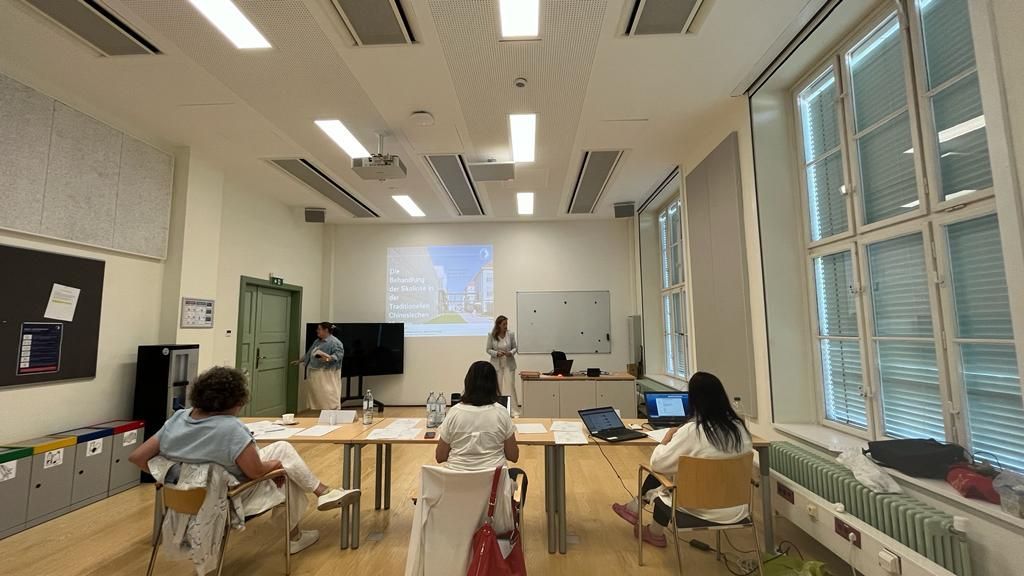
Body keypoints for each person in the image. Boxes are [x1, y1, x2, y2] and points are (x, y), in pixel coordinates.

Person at [129, 366, 359, 555]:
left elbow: (138, 457)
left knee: (282, 451)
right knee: (286, 470)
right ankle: (297, 531)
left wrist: (177, 476)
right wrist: (276, 467)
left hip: (181, 501)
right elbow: (256, 472)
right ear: (237, 399)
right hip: (228, 498)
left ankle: (322, 493)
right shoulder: (230, 429)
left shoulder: (178, 419)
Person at [611, 372, 752, 548]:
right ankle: (644, 521)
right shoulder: (741, 429)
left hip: (696, 505)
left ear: (693, 400)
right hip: (736, 507)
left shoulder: (693, 431)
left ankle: (648, 524)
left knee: (666, 474)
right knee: (678, 470)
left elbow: (658, 464)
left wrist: (666, 439)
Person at [435, 361, 519, 471]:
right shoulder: (501, 412)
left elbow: (440, 457)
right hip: (494, 484)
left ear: (467, 382)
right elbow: (513, 456)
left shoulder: (454, 413)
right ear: (494, 385)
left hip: (456, 484)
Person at [293, 322, 344, 410]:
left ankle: (331, 413)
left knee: (328, 395)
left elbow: (338, 356)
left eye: (319, 329)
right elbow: (309, 354)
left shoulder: (335, 342)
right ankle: (317, 413)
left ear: (326, 330)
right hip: (315, 372)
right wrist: (300, 361)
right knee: (316, 396)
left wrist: (328, 359)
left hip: (327, 374)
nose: (317, 331)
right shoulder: (317, 341)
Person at [486, 315, 519, 416]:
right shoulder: (491, 335)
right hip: (497, 365)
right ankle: (497, 410)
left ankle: (514, 410)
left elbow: (515, 348)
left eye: (506, 324)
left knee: (511, 387)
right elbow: (488, 349)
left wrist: (511, 353)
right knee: (497, 388)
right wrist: (496, 353)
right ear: (498, 325)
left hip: (509, 364)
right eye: (504, 324)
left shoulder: (511, 334)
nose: (506, 326)